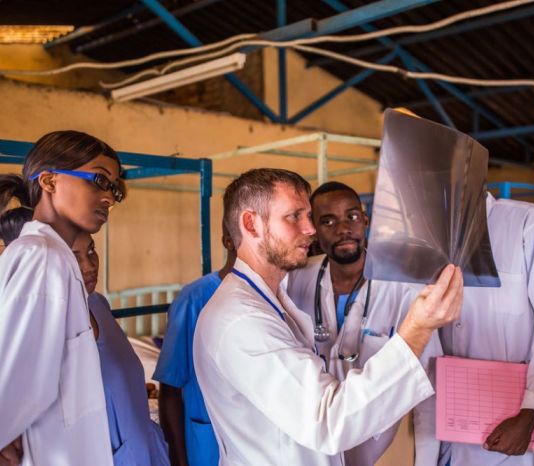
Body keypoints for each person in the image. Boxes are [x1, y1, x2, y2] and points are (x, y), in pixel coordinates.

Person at [193, 168, 464, 466]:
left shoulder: (270, 299)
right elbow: (327, 420)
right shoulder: (241, 321)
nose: (310, 229)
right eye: (294, 216)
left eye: (308, 217)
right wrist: (417, 329)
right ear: (251, 224)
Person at [0, 130, 122, 464]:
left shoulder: (33, 256)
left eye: (114, 188)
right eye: (99, 180)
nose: (109, 198)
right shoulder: (44, 259)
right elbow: (11, 395)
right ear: (49, 180)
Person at [286, 181, 442, 466]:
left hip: (382, 445)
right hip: (313, 440)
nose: (344, 228)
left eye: (352, 217)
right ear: (315, 231)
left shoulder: (403, 285)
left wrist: (427, 460)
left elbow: (429, 378)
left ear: (366, 220)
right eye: (328, 221)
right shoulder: (295, 279)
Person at [439, 192, 534, 466]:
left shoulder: (528, 222)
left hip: (511, 422)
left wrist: (532, 410)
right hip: (443, 421)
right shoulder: (423, 235)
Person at [72, 231, 170, 465]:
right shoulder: (59, 320)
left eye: (91, 250)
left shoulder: (97, 303)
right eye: (75, 256)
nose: (89, 265)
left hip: (145, 447)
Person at [154, 226, 236, 466]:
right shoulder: (194, 299)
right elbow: (169, 390)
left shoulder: (280, 294)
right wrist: (179, 461)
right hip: (208, 443)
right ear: (228, 240)